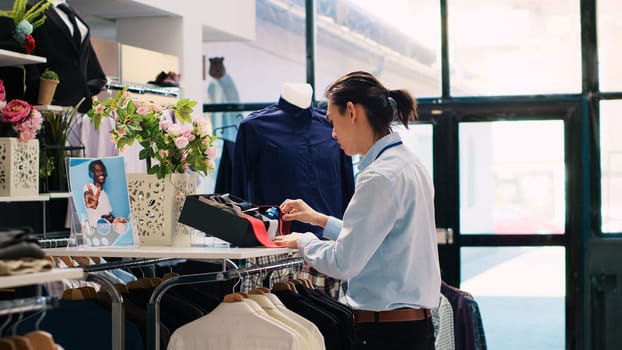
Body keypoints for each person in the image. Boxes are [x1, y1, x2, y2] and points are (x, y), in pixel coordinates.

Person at [273, 71, 441, 350]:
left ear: (351, 111)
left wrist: (303, 241)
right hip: (411, 328)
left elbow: (343, 263)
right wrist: (319, 219)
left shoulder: (378, 177)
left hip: (385, 333)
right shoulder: (408, 163)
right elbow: (379, 241)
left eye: (333, 122)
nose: (333, 134)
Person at [83, 160, 126, 229]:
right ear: (91, 174)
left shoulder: (105, 195)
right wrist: (91, 203)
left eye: (103, 170)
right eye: (97, 170)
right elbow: (87, 196)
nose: (102, 173)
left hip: (107, 230)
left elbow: (107, 215)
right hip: (96, 230)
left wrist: (118, 220)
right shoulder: (88, 187)